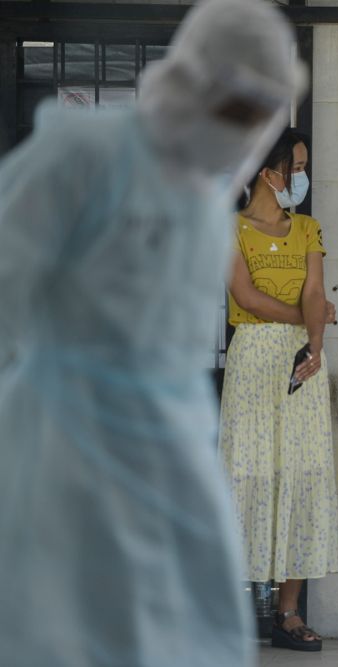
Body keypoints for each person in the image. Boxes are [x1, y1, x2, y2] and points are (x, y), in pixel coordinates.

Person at [0, 0, 306, 665]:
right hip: (59, 429)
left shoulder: (203, 209)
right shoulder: (84, 152)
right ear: (194, 81)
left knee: (198, 627)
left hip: (163, 439)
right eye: (235, 105)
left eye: (258, 115)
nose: (242, 130)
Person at [219, 129, 338, 652]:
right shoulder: (229, 228)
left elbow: (316, 290)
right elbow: (244, 295)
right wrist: (307, 319)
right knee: (248, 474)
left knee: (303, 473)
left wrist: (314, 343)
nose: (303, 176)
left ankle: (287, 614)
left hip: (301, 364)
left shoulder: (308, 228)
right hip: (252, 361)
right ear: (269, 170)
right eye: (297, 166)